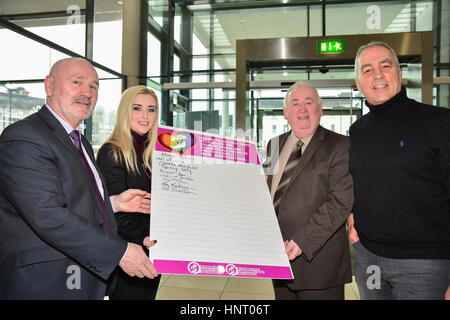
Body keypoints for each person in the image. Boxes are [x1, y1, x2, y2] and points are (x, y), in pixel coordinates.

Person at [0, 57, 158, 299]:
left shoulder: (79, 140)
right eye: (77, 82)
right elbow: (47, 214)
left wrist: (114, 203)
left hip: (81, 275)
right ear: (49, 85)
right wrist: (121, 251)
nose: (87, 92)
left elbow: (74, 199)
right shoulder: (24, 136)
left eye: (94, 86)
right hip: (44, 282)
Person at [348, 41, 450, 300]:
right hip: (368, 257)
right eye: (367, 70)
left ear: (399, 73)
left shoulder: (439, 122)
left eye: (385, 65)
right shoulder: (357, 130)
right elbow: (358, 179)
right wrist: (351, 216)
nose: (378, 74)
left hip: (425, 263)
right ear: (359, 83)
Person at [264, 82, 354, 300]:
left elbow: (340, 202)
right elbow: (266, 194)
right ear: (285, 113)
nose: (302, 109)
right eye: (295, 104)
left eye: (308, 102)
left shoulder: (341, 146)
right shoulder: (273, 145)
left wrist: (302, 241)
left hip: (319, 265)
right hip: (280, 259)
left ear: (320, 109)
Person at [96, 85, 161, 300]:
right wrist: (141, 238)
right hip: (128, 248)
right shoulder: (112, 151)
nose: (145, 116)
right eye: (137, 108)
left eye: (151, 110)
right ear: (125, 111)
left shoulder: (158, 153)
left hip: (155, 245)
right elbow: (113, 208)